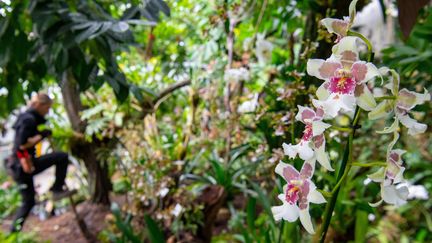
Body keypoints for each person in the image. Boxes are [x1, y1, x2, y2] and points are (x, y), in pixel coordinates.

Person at [9, 92, 74, 232]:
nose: (47, 111)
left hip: (21, 165)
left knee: (29, 202)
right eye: (47, 108)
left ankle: (13, 233)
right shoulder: (28, 119)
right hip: (22, 166)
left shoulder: (28, 118)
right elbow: (22, 144)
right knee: (62, 157)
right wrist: (42, 136)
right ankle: (57, 189)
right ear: (39, 104)